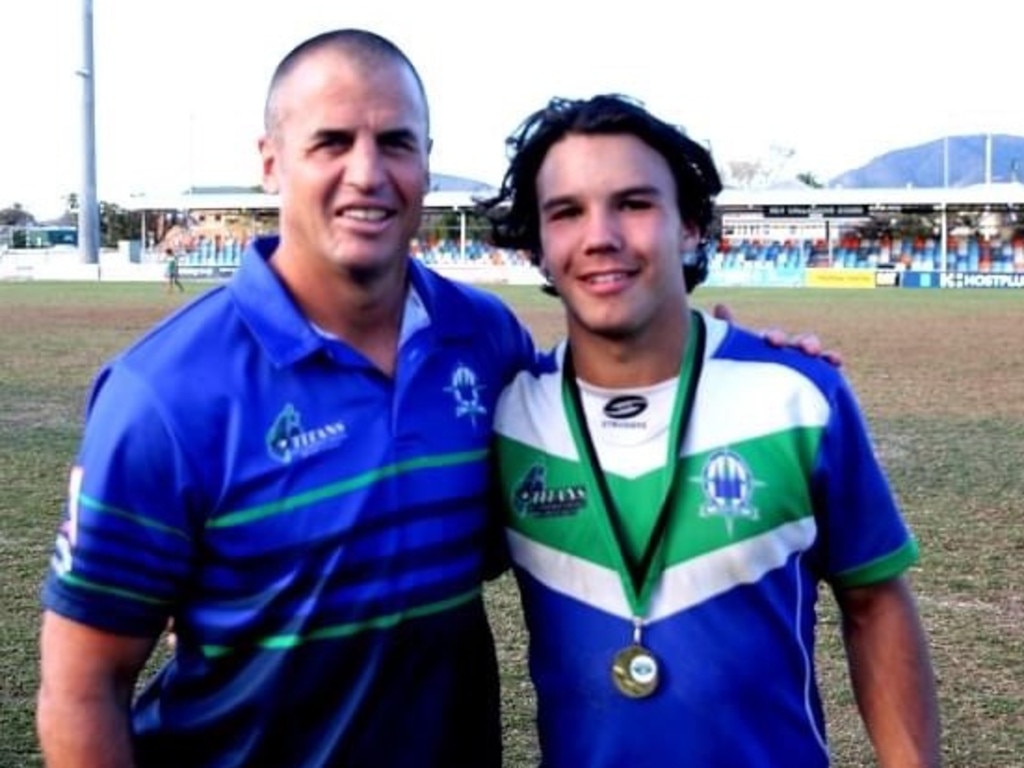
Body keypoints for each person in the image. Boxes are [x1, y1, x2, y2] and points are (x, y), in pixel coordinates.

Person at [36, 28, 835, 768]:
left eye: (395, 142)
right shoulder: (163, 394)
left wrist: (737, 358)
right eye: (330, 143)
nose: (367, 173)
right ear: (272, 163)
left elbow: (596, 418)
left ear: (426, 159)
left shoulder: (483, 340)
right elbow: (81, 689)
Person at [482, 94, 941, 768]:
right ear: (537, 247)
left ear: (691, 225)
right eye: (566, 212)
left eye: (634, 203)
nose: (601, 235)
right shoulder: (507, 417)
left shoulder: (797, 395)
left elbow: (875, 605)